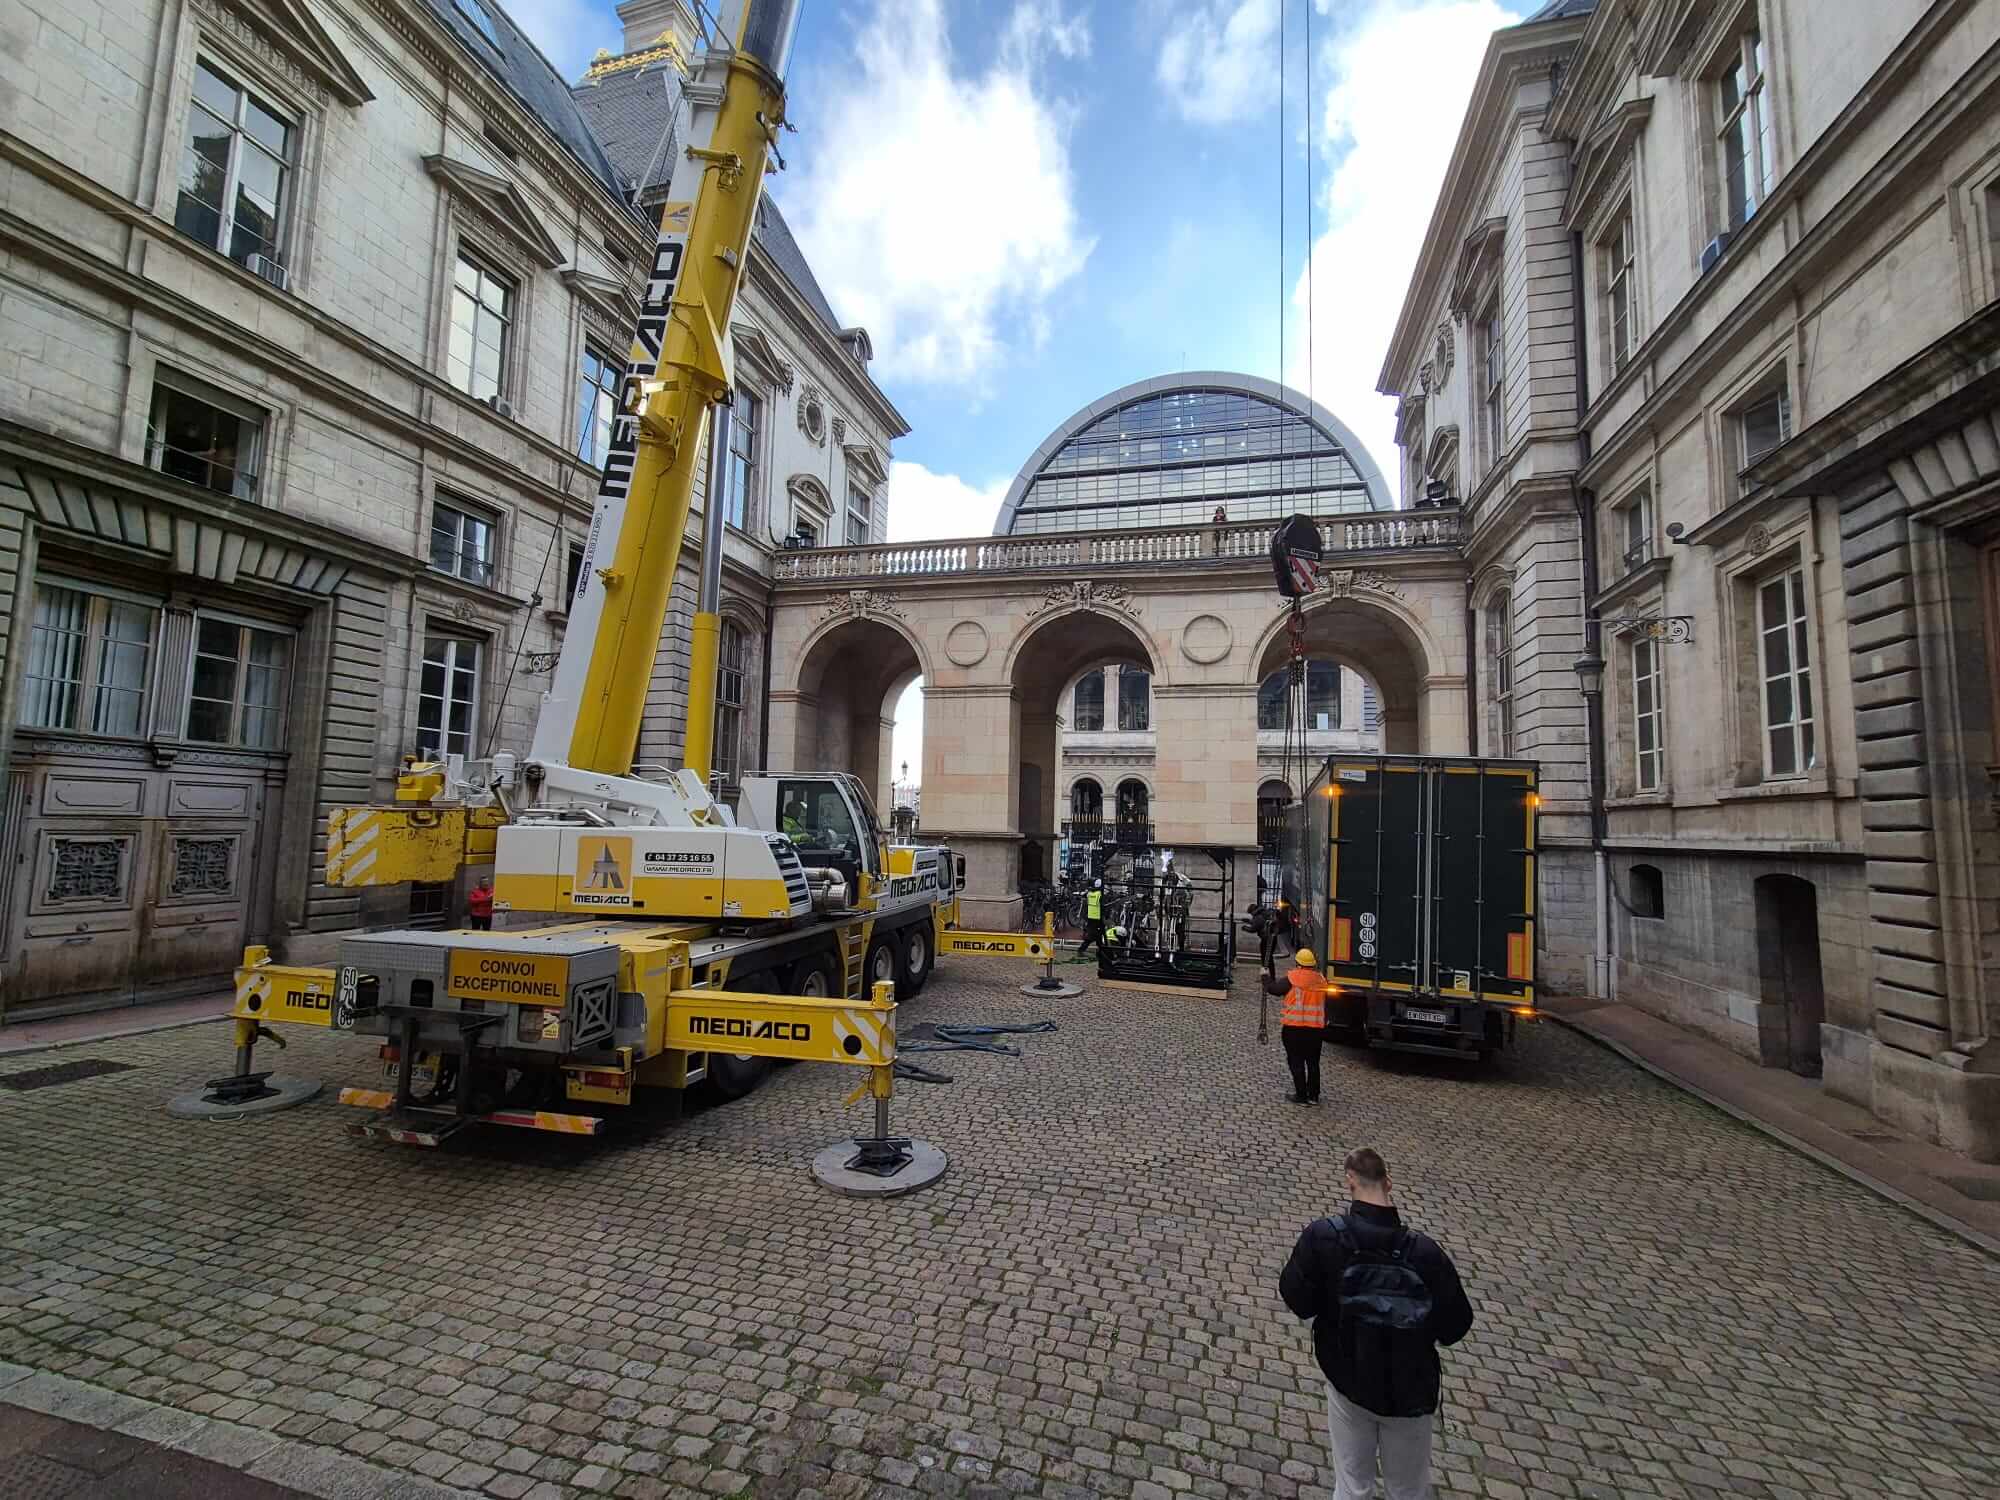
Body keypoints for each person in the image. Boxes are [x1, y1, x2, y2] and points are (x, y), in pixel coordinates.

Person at [1279, 1148, 1474, 1500]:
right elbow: (1455, 1327)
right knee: (1408, 1491)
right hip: (1411, 1392)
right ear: (1389, 1183)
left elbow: (1297, 1299)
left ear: (1349, 1181)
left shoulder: (1324, 1237)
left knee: (1352, 1486)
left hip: (1350, 1380)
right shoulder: (1426, 1254)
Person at [1263, 946, 1328, 1104]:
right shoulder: (1321, 980)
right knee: (1313, 1062)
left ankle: (1301, 1095)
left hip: (1294, 1029)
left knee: (1296, 1061)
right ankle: (1313, 1095)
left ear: (1298, 963)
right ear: (1313, 964)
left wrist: (1265, 977)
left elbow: (1274, 989)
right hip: (1315, 1030)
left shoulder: (1291, 979)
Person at [1074, 878, 1106, 962]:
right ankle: (1082, 950)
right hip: (1097, 918)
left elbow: (1084, 896)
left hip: (1091, 917)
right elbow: (1104, 906)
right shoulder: (1099, 894)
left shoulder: (1090, 893)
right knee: (1094, 935)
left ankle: (1101, 952)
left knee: (1099, 935)